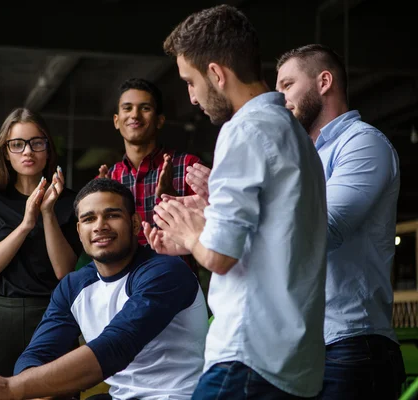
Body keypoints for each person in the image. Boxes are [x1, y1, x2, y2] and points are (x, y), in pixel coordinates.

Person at [144, 5, 328, 399]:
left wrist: (191, 234)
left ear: (216, 73)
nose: (191, 98)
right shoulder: (295, 136)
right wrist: (203, 223)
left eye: (190, 82)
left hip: (247, 357)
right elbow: (269, 237)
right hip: (293, 364)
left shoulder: (243, 130)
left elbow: (219, 257)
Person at [0, 178, 208, 400]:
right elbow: (36, 355)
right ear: (79, 231)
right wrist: (24, 382)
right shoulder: (74, 285)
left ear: (134, 223)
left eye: (112, 215)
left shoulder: (165, 272)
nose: (100, 226)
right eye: (89, 219)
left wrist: (12, 388)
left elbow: (116, 347)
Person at [275, 44, 405, 399]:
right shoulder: (300, 159)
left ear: (324, 81)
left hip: (351, 345)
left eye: (287, 85)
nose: (280, 98)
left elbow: (322, 231)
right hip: (307, 349)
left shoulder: (363, 143)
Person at [0, 107, 82, 377]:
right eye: (17, 145)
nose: (27, 152)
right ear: (6, 153)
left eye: (36, 143)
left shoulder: (70, 202)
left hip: (51, 315)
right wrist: (26, 224)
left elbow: (64, 271)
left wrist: (47, 213)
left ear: (48, 149)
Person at [98, 78, 201, 247]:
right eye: (127, 108)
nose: (134, 115)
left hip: (175, 272)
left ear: (160, 120)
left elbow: (212, 230)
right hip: (127, 274)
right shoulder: (109, 178)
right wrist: (100, 199)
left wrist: (172, 199)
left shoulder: (189, 167)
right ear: (116, 120)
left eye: (145, 108)